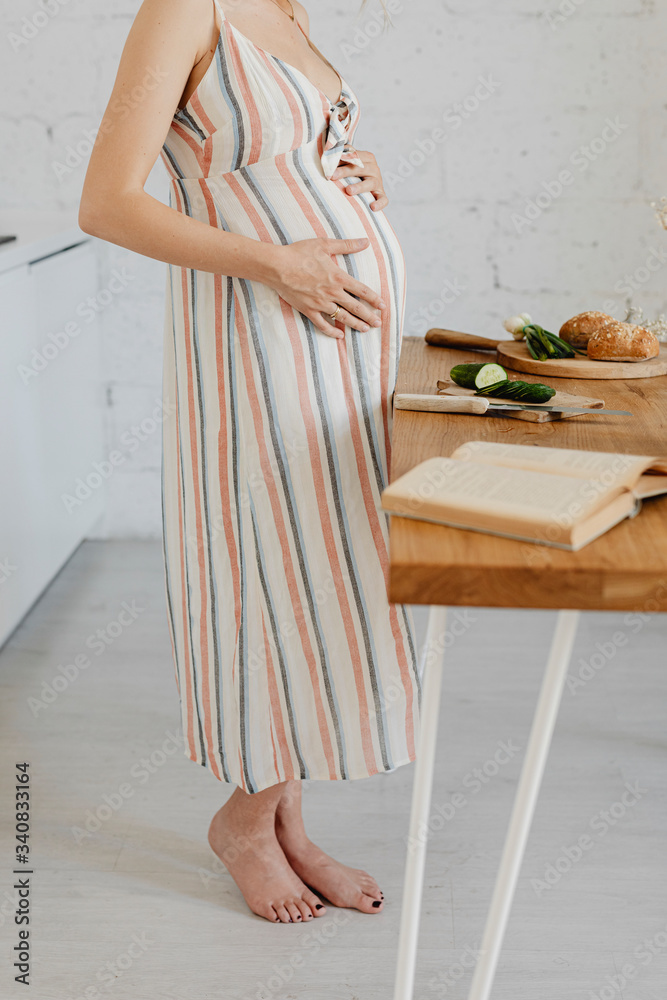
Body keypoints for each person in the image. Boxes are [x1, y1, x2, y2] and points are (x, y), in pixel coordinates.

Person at [79, 0, 421, 925]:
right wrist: (279, 265)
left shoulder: (288, 11)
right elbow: (107, 201)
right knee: (281, 577)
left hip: (339, 353)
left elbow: (266, 159)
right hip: (255, 341)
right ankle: (243, 822)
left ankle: (288, 829)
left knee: (330, 580)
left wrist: (348, 174)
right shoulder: (185, 9)